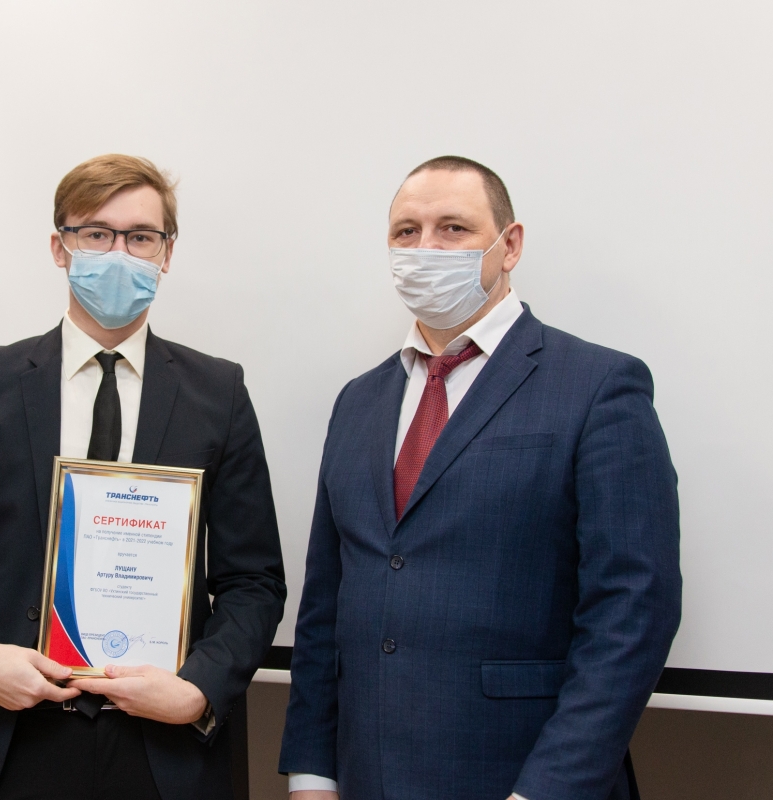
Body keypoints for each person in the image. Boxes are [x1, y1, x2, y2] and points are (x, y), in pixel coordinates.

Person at [279, 156, 682, 800]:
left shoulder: (599, 386)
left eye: (454, 228)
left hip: (521, 775)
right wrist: (312, 772)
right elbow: (326, 604)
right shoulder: (358, 401)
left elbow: (633, 608)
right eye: (406, 232)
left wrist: (547, 791)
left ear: (509, 245)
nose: (425, 249)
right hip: (366, 774)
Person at [0, 154, 286, 800]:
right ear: (60, 248)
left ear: (166, 254)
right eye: (97, 234)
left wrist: (197, 690)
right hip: (13, 739)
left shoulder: (219, 394)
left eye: (141, 237)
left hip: (166, 750)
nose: (119, 254)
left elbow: (254, 580)